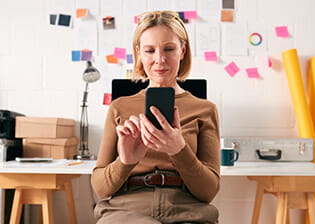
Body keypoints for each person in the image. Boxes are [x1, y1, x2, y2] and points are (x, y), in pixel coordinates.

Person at [91, 10, 221, 224]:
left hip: (187, 210)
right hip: (127, 211)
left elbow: (208, 192)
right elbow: (100, 188)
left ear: (182, 50)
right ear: (139, 53)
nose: (159, 60)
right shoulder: (119, 107)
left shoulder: (205, 110)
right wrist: (126, 161)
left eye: (169, 49)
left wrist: (179, 150)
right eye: (149, 50)